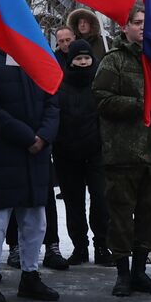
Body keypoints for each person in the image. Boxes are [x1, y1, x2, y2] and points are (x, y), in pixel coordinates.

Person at [93, 8, 151, 297]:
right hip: (122, 154)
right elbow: (101, 99)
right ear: (125, 27)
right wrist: (141, 103)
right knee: (121, 217)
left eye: (148, 23)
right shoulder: (114, 61)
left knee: (150, 215)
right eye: (137, 23)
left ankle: (140, 272)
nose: (143, 28)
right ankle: (122, 273)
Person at [0, 39, 60, 302]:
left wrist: (44, 136)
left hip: (37, 154)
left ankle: (30, 275)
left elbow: (53, 101)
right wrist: (27, 137)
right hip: (5, 152)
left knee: (35, 219)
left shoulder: (39, 59)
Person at [54, 40, 110, 266]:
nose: (83, 62)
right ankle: (79, 246)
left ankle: (102, 245)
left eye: (87, 58)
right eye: (78, 58)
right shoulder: (60, 83)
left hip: (97, 152)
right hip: (67, 152)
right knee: (73, 202)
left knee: (101, 200)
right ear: (71, 60)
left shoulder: (101, 82)